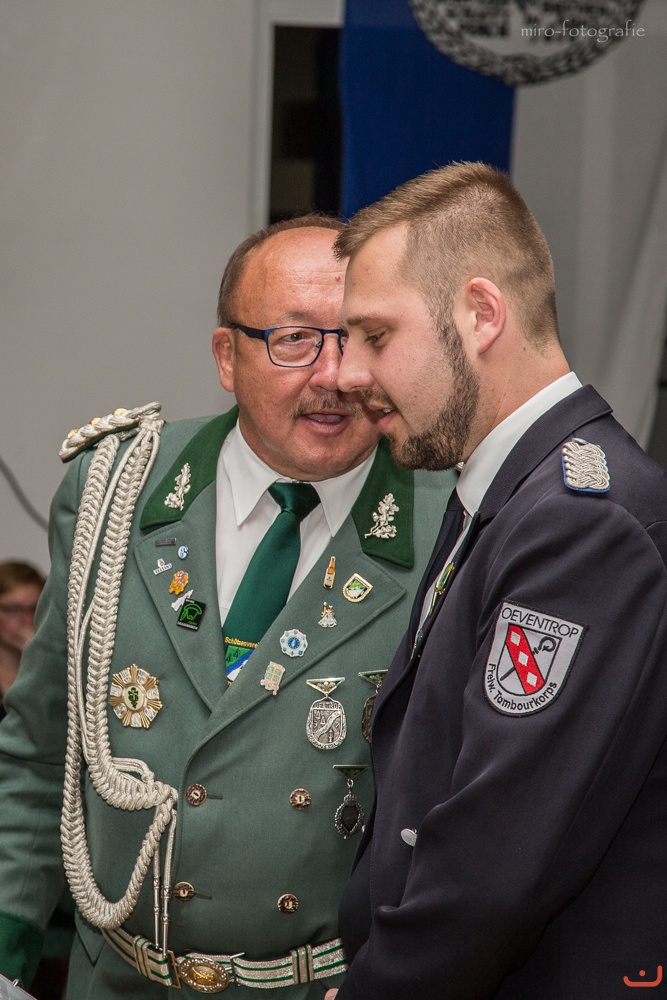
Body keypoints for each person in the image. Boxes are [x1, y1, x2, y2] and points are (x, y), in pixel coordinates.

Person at [0, 214, 455, 997]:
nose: (334, 374)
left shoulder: (451, 522)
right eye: (294, 339)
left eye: (359, 338)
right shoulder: (116, 492)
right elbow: (42, 755)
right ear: (226, 356)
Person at [323, 163, 667, 1000]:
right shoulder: (508, 490)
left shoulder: (578, 521)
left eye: (375, 336)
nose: (347, 373)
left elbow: (496, 853)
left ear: (480, 313)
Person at [0, 561, 45, 723]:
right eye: (13, 609)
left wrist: (37, 660)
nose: (27, 620)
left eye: (34, 609)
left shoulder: (55, 669)